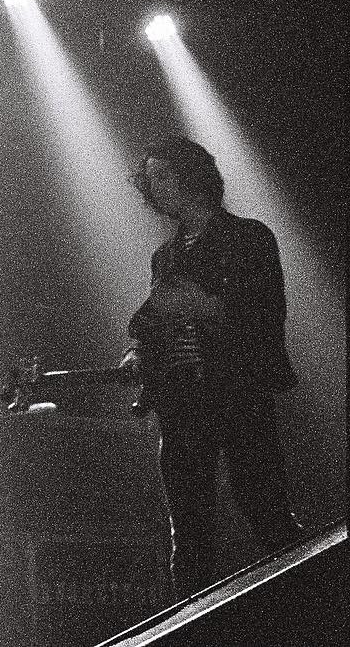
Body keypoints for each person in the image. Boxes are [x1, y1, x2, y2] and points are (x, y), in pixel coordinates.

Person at [122, 136, 304, 599]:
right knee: (188, 531)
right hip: (183, 406)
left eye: (162, 174)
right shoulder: (165, 256)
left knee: (265, 509)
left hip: (239, 392)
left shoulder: (249, 237)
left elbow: (269, 316)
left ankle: (313, 606)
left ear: (192, 174)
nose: (154, 186)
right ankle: (194, 622)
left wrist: (209, 308)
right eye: (149, 179)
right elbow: (154, 320)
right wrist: (141, 351)